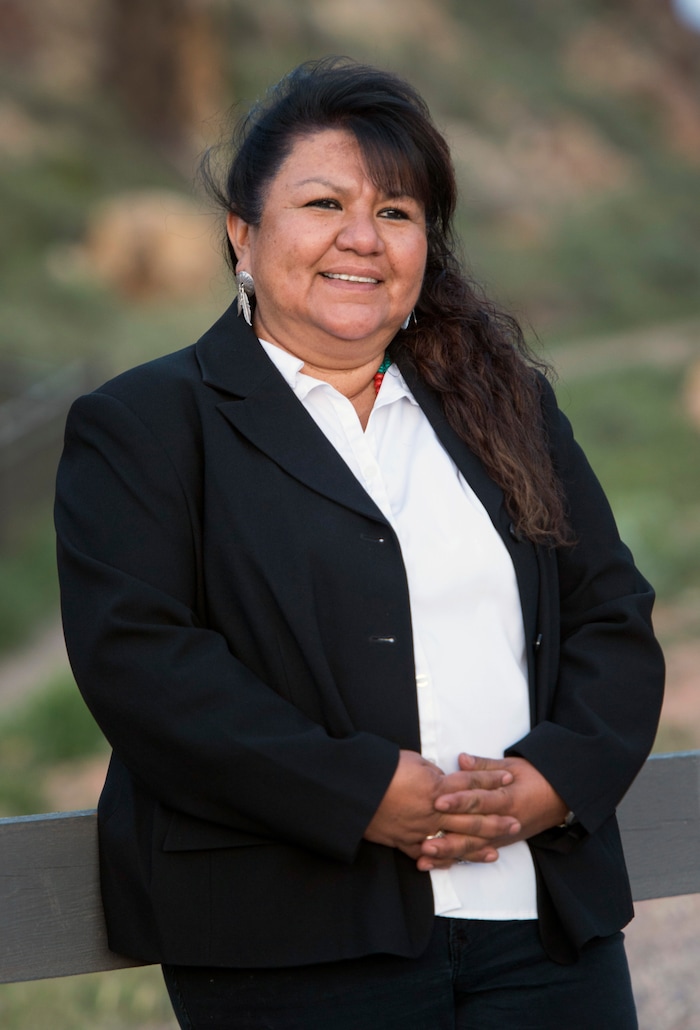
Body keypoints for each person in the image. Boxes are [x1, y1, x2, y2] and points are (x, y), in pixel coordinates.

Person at [55, 58, 665, 1029]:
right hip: (289, 942)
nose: (360, 237)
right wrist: (361, 792)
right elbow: (144, 666)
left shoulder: (505, 407)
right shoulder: (145, 424)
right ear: (241, 234)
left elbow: (611, 618)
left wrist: (553, 782)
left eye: (396, 211)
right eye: (323, 201)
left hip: (543, 929)